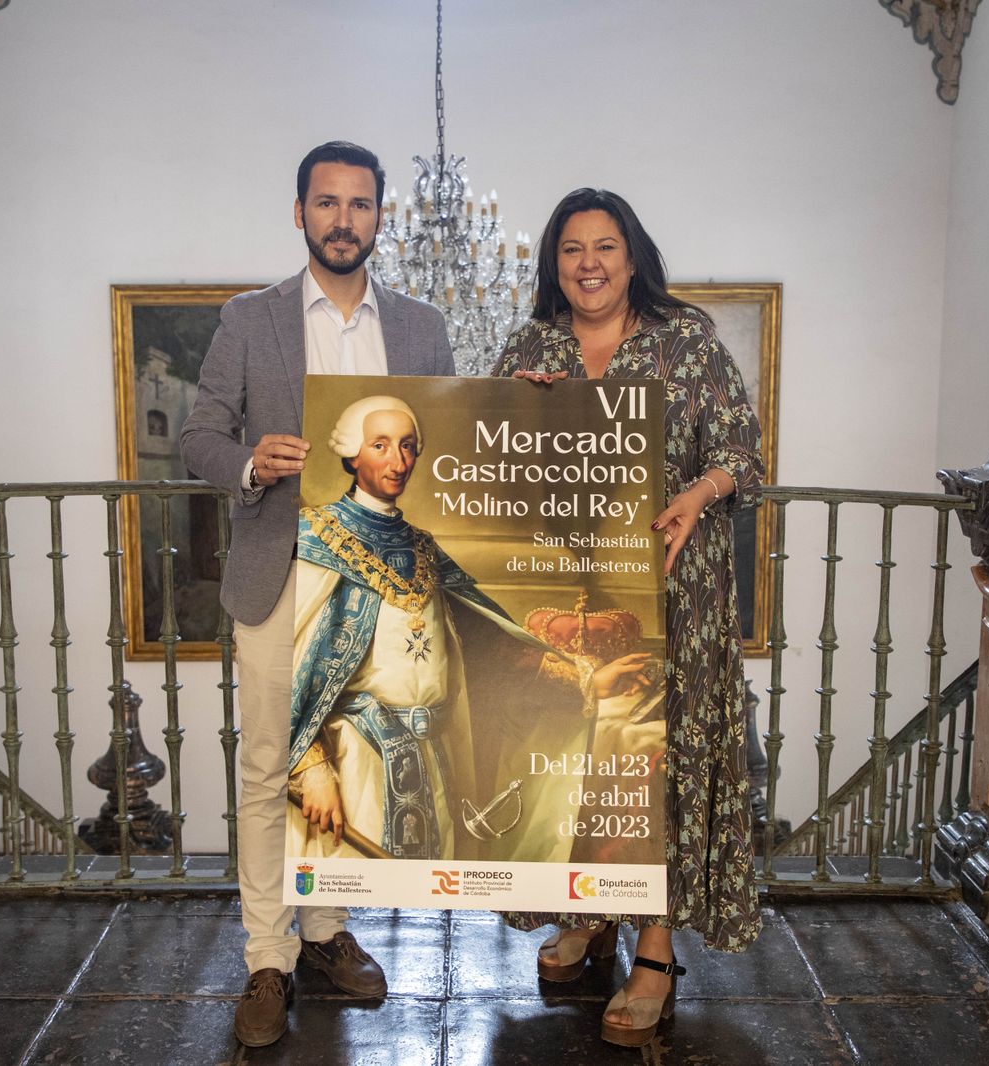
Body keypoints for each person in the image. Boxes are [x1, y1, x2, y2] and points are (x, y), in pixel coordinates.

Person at [179, 141, 454, 1050]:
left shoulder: (420, 327)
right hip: (280, 575)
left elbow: (448, 442)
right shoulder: (248, 319)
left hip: (379, 581)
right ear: (299, 212)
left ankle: (326, 936)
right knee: (271, 768)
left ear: (381, 217)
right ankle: (268, 958)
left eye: (361, 204)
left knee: (342, 758)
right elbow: (198, 438)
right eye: (327, 203)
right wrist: (252, 461)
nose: (344, 219)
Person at [494, 188, 765, 1047]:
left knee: (662, 759)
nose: (589, 263)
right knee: (583, 748)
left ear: (632, 254)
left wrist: (699, 490)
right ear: (555, 265)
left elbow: (741, 453)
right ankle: (592, 912)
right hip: (572, 589)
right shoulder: (531, 345)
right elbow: (492, 462)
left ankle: (654, 945)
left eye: (604, 246)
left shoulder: (686, 339)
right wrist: (514, 407)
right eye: (571, 249)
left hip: (677, 593)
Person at [287, 395, 654, 863]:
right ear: (351, 453)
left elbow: (492, 651)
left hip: (435, 761)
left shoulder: (423, 548)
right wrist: (314, 770)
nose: (398, 461)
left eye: (408, 446)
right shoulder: (319, 539)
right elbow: (298, 671)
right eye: (380, 446)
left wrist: (587, 681)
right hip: (359, 759)